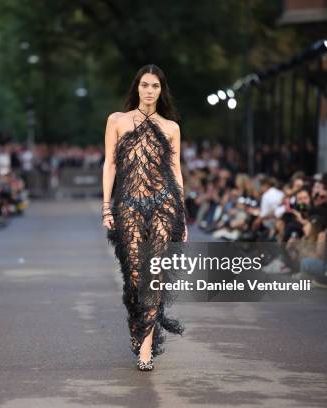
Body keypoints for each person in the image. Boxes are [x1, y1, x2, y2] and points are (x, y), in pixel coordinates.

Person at [102, 64, 187, 371]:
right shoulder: (117, 120)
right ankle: (141, 328)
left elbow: (176, 172)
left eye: (155, 86)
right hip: (128, 204)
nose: (149, 91)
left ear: (161, 91)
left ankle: (146, 349)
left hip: (165, 204)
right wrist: (106, 206)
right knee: (136, 275)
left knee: (155, 276)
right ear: (136, 87)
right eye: (145, 85)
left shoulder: (171, 127)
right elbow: (110, 165)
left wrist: (183, 215)